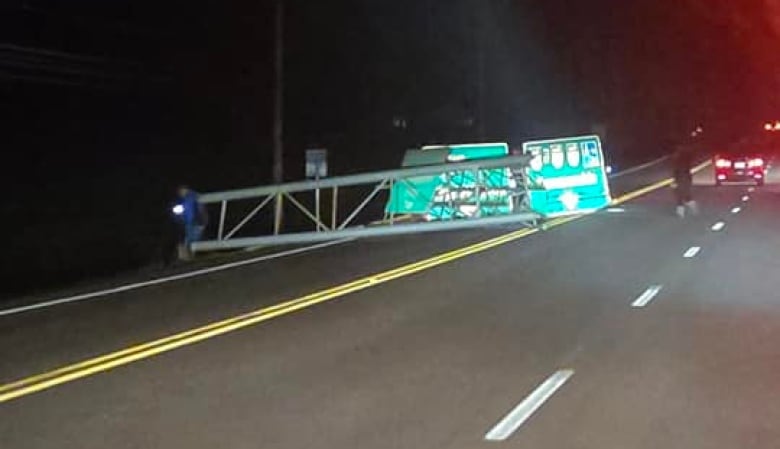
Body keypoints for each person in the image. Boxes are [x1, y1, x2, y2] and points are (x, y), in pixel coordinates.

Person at [173, 185, 208, 259]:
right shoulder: (183, 199)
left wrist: (202, 220)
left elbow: (201, 209)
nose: (181, 193)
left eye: (182, 191)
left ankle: (190, 255)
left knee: (195, 237)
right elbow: (183, 211)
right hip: (188, 222)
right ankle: (188, 256)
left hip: (196, 221)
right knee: (189, 239)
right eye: (180, 192)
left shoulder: (193, 196)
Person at [672, 147, 698, 218]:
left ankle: (681, 212)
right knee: (686, 195)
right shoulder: (687, 163)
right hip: (686, 179)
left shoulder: (677, 163)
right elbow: (688, 173)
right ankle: (693, 207)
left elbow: (676, 173)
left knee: (679, 196)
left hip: (680, 180)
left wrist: (675, 182)